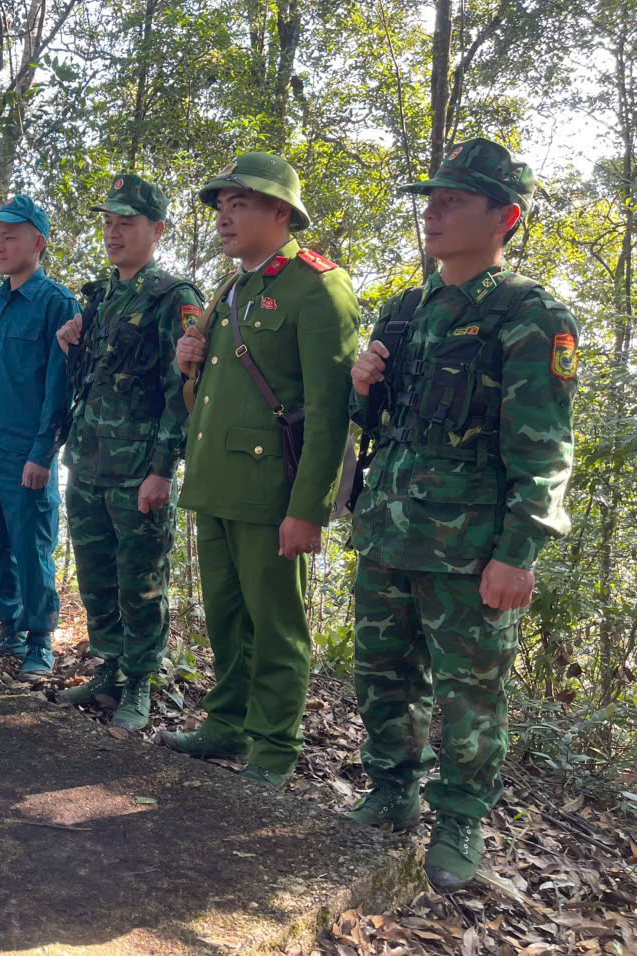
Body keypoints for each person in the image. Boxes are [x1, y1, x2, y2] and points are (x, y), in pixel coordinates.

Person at [345, 138, 578, 890]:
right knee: (383, 675)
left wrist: (521, 550)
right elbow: (379, 421)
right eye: (431, 198)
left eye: (454, 200)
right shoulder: (409, 307)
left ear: (504, 217)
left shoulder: (529, 315)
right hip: (389, 530)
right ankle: (392, 790)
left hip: (470, 547)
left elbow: (544, 451)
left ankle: (460, 819)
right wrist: (362, 381)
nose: (433, 211)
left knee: (470, 695)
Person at [159, 152, 358, 788]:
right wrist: (186, 361)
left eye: (238, 204)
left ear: (280, 211)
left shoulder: (316, 285)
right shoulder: (233, 289)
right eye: (221, 206)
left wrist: (308, 508)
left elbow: (328, 414)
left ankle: (273, 747)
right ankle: (227, 723)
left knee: (275, 625)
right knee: (225, 615)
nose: (224, 216)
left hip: (273, 491)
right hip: (216, 481)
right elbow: (211, 395)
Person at [53, 174, 204, 732]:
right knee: (96, 576)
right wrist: (72, 341)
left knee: (140, 580)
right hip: (88, 462)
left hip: (137, 469)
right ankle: (110, 670)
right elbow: (93, 380)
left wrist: (163, 469)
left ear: (157, 230)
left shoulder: (174, 298)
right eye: (108, 222)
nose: (114, 233)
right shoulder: (101, 295)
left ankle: (139, 682)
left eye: (127, 223)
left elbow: (182, 390)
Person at [0, 195, 80, 678]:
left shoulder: (56, 304)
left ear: (38, 242)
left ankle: (40, 641)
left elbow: (59, 386)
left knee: (31, 547)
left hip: (27, 453)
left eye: (11, 237)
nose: (0, 246)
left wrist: (44, 452)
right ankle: (9, 629)